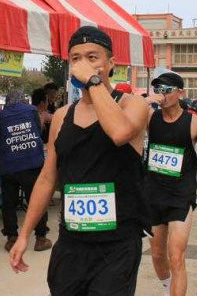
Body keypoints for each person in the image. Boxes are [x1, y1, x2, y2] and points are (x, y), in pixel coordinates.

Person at [9, 26, 151, 295]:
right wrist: (25, 233)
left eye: (92, 57)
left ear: (111, 64)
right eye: (75, 58)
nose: (83, 64)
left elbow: (119, 133)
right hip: (71, 242)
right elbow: (47, 178)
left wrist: (94, 82)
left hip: (118, 243)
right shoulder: (62, 115)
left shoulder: (133, 105)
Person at [145, 72, 197, 296]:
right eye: (158, 90)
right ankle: (167, 286)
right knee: (158, 255)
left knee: (176, 254)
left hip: (181, 195)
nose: (162, 95)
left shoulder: (195, 123)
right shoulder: (149, 118)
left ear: (180, 92)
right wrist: (145, 104)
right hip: (153, 194)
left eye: (167, 90)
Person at [0, 89, 52, 253]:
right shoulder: (32, 111)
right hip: (31, 164)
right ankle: (40, 238)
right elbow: (39, 131)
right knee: (37, 200)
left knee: (9, 202)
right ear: (23, 100)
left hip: (8, 166)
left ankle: (11, 238)